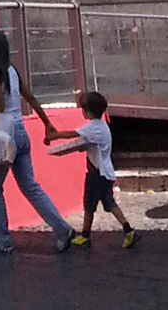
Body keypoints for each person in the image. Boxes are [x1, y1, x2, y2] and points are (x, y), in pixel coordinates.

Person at [0, 25, 77, 256]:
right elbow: (29, 96)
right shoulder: (12, 70)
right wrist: (46, 122)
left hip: (3, 135)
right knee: (30, 186)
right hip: (21, 131)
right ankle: (61, 228)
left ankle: (0, 238)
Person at [48, 88, 138, 248]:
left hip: (96, 173)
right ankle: (128, 229)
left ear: (88, 111)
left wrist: (54, 136)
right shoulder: (102, 126)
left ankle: (85, 234)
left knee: (89, 204)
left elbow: (72, 134)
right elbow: (89, 145)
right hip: (105, 173)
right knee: (109, 203)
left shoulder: (93, 127)